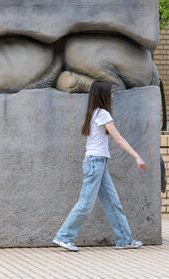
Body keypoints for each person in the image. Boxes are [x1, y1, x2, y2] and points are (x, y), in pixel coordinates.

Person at [53, 80, 146, 252]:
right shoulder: (103, 114)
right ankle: (64, 236)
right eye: (110, 93)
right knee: (86, 203)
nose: (112, 96)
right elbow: (119, 139)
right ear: (104, 95)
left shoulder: (94, 112)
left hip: (97, 163)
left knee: (112, 202)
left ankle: (124, 239)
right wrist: (137, 156)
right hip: (95, 163)